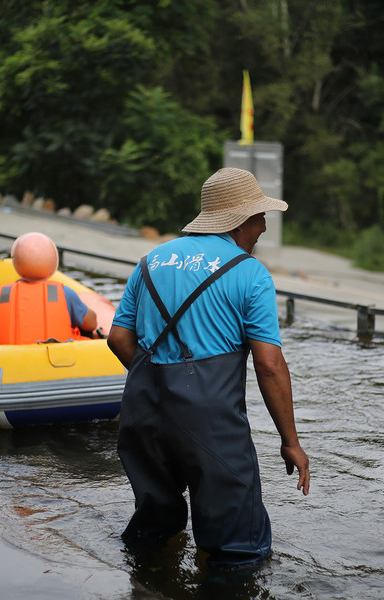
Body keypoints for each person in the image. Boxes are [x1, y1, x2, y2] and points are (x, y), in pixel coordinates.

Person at [107, 167, 310, 568]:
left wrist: (161, 383)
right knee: (239, 551)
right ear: (240, 219)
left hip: (142, 415)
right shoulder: (250, 273)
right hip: (210, 425)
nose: (265, 227)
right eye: (260, 216)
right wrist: (290, 441)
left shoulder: (151, 261)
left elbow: (117, 339)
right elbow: (269, 366)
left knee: (153, 533)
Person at [0, 231, 98, 344]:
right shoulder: (65, 294)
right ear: (53, 262)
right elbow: (91, 324)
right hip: (57, 361)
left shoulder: (0, 297)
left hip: (11, 360)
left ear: (16, 263)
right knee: (86, 332)